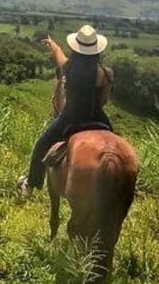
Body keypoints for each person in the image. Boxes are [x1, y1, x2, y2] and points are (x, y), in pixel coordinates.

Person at [17, 25, 114, 198]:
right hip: (98, 117)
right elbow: (104, 100)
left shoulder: (69, 68)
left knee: (41, 145)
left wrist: (53, 44)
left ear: (77, 49)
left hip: (71, 118)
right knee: (115, 145)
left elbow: (59, 56)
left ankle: (31, 184)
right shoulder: (105, 73)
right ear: (96, 50)